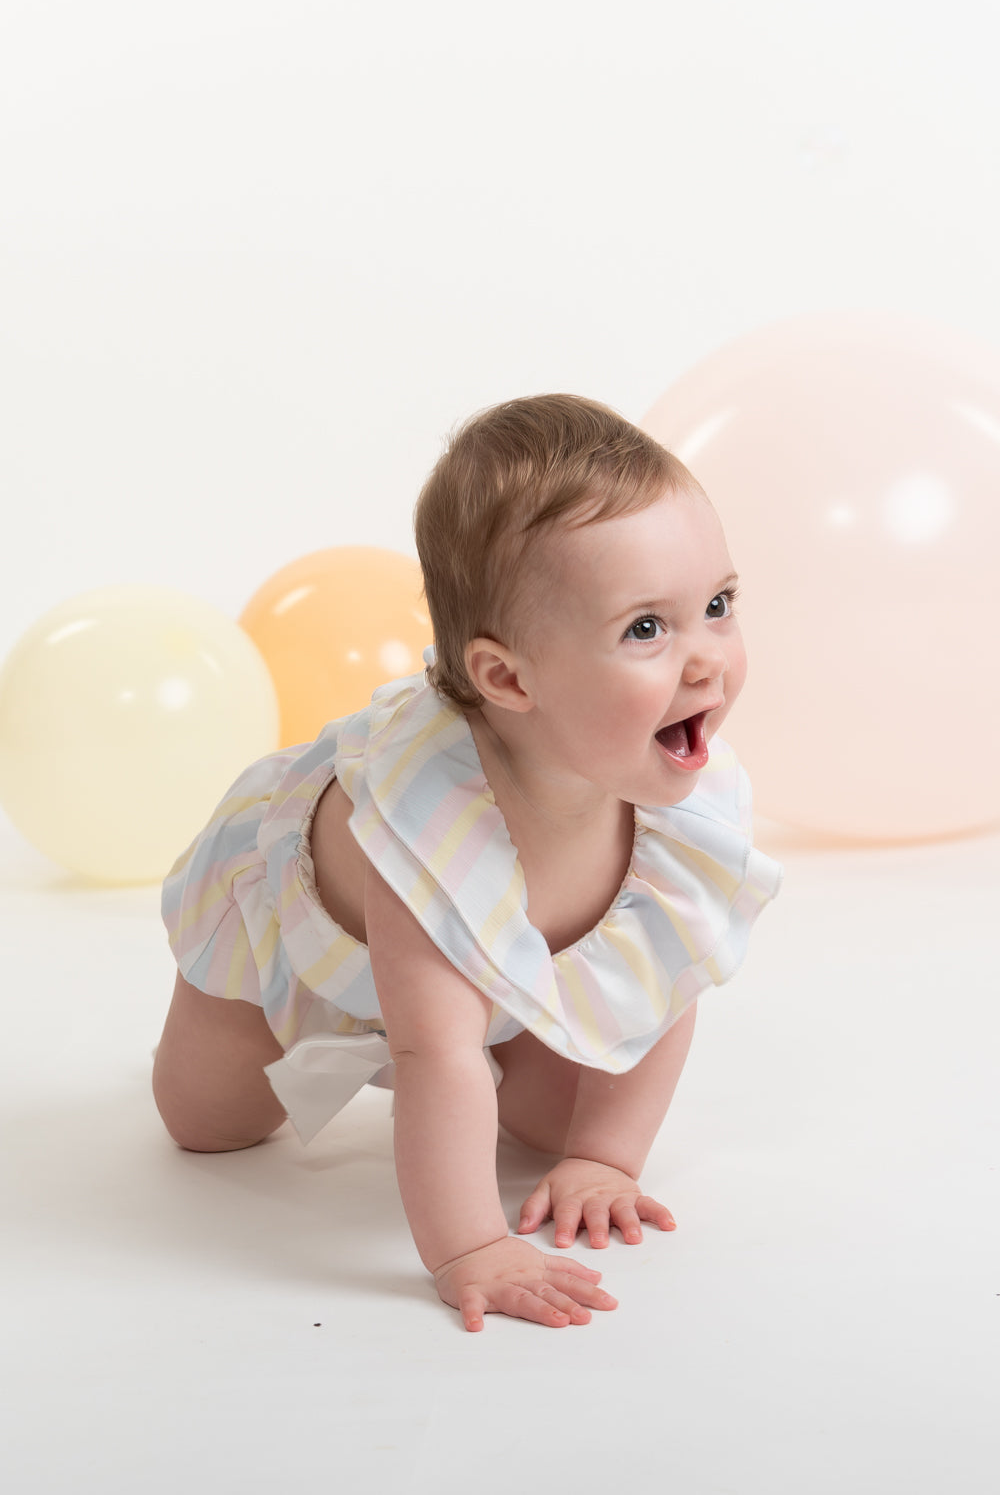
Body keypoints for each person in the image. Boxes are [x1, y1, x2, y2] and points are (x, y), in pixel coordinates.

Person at [154, 393, 781, 1332]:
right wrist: (469, 1246)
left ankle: (522, 1035)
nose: (707, 663)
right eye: (646, 629)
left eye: (718, 607)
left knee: (544, 1127)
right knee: (212, 1126)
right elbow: (433, 1053)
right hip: (294, 945)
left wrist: (606, 1157)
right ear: (509, 679)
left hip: (489, 972)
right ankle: (224, 1027)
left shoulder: (658, 784)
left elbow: (662, 983)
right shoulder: (419, 825)